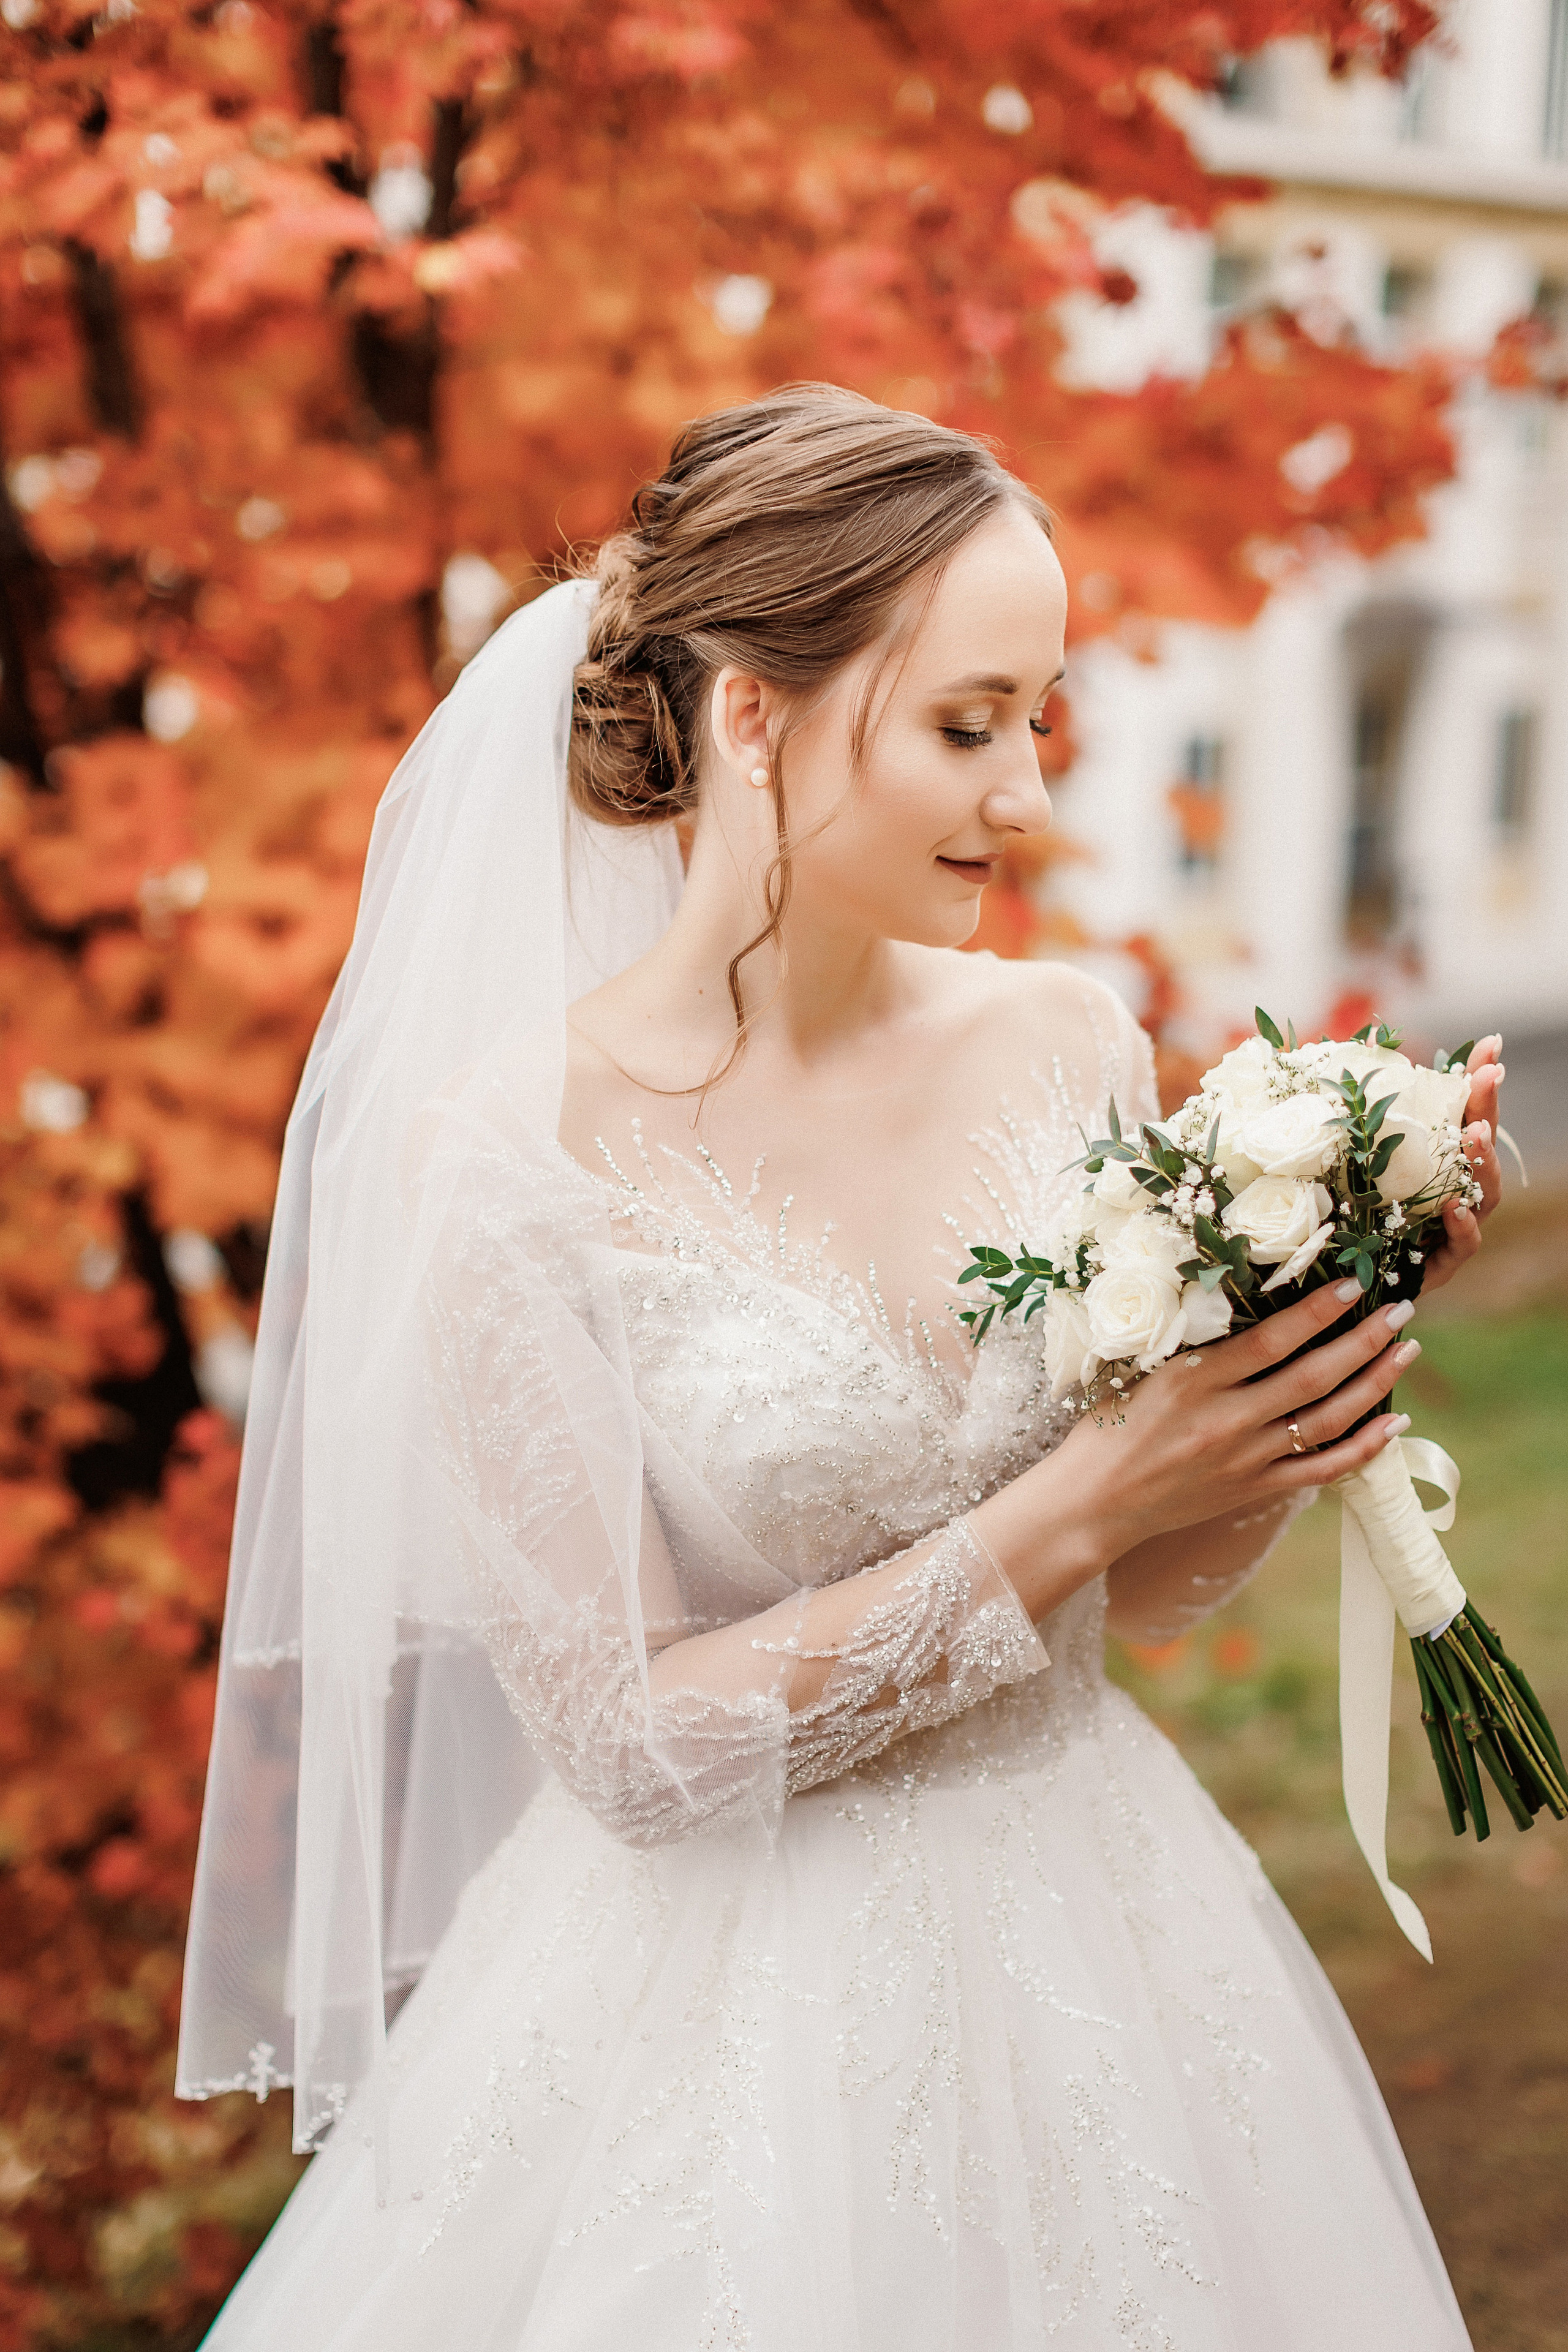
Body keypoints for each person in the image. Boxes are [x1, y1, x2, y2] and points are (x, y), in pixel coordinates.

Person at [180, 386, 1504, 2349]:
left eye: (1037, 722)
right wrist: (1092, 1495)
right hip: (718, 2023)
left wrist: (1294, 1375)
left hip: (1105, 1944)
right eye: (968, 726)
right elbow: (633, 1749)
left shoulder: (1063, 1040)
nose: (1029, 795)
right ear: (750, 716)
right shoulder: (501, 1155)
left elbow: (1140, 1590)